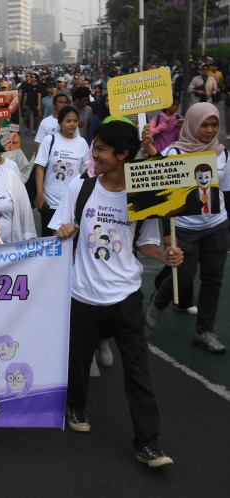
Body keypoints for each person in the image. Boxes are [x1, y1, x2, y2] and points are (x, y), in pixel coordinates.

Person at [50, 120, 183, 468]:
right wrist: (63, 231)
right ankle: (76, 402)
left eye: (102, 150)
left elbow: (147, 243)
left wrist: (165, 255)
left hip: (126, 297)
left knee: (138, 370)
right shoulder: (81, 188)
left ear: (123, 155)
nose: (94, 154)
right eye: (94, 146)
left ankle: (149, 443)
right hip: (82, 295)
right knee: (78, 361)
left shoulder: (144, 193)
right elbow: (58, 233)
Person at [145, 102, 229, 354]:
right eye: (205, 124)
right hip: (185, 227)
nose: (210, 130)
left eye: (214, 125)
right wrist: (168, 234)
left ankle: (205, 331)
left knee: (213, 280)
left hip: (217, 225)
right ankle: (158, 302)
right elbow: (162, 195)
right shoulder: (175, 153)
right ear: (193, 124)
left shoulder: (222, 153)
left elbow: (227, 192)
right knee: (182, 275)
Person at [34, 106, 89, 236]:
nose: (72, 124)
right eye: (68, 121)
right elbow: (40, 167)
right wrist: (40, 193)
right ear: (60, 122)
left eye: (75, 121)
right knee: (49, 241)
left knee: (71, 241)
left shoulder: (82, 143)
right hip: (50, 202)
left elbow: (85, 172)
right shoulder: (49, 140)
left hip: (72, 202)